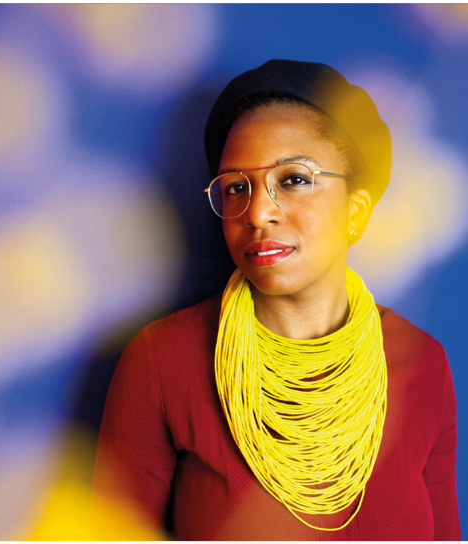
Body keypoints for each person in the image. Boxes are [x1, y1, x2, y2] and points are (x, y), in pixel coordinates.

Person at [91, 60, 461, 541]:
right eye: (236, 187)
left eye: (293, 179)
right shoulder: (163, 362)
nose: (258, 211)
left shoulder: (423, 366)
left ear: (356, 211)